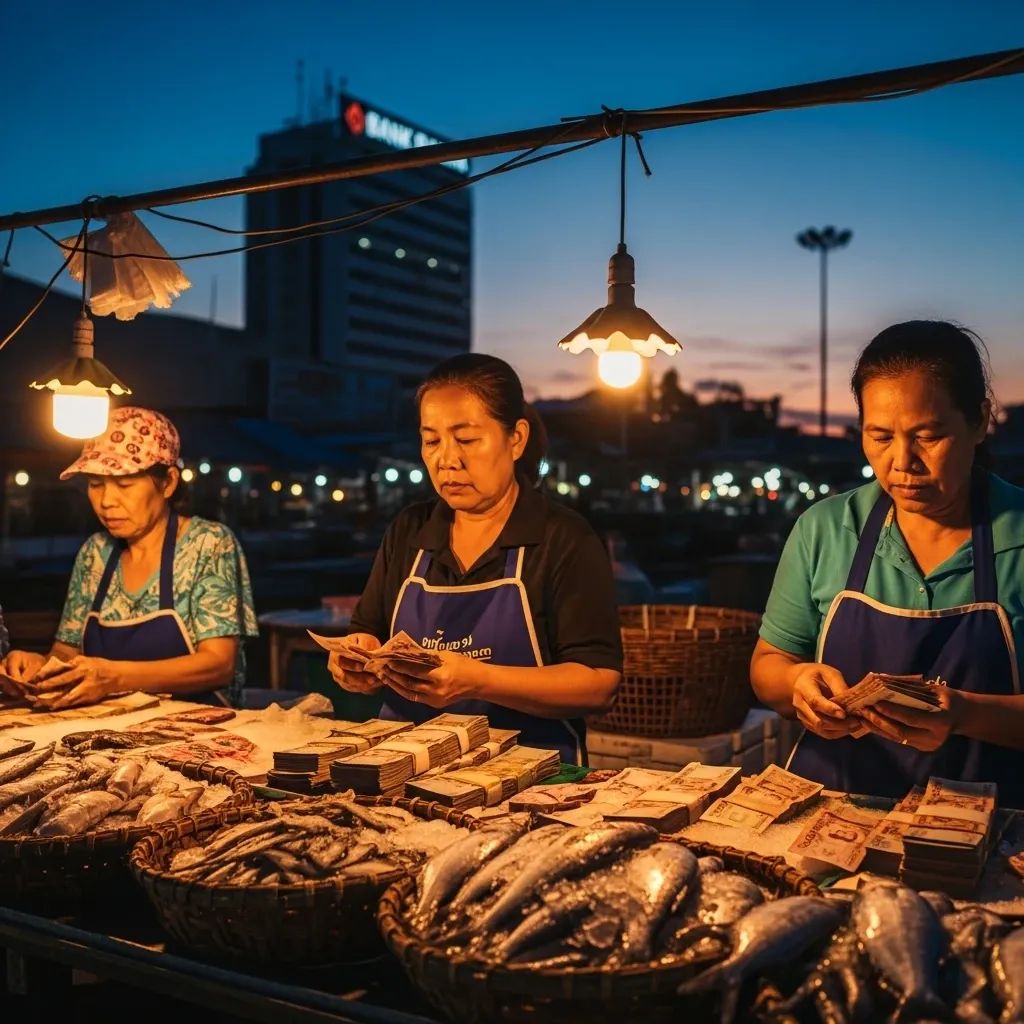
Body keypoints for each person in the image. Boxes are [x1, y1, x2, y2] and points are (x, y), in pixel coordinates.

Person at [752, 321, 1024, 803]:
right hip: (835, 809)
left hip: (993, 832)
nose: (902, 462)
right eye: (879, 437)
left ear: (980, 421)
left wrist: (962, 713)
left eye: (929, 436)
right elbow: (769, 664)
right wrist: (797, 683)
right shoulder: (825, 529)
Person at [328, 353, 622, 765]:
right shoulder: (409, 531)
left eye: (465, 439)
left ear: (515, 439)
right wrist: (356, 661)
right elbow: (368, 633)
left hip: (529, 777)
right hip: (404, 770)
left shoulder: (563, 538)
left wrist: (477, 680)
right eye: (431, 441)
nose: (447, 459)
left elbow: (598, 684)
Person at [2, 407, 258, 708]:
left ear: (168, 483)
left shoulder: (209, 544)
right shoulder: (95, 553)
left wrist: (115, 677)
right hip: (110, 728)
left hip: (205, 731)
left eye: (124, 484)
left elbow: (218, 665)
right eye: (95, 484)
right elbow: (67, 654)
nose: (107, 501)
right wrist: (39, 666)